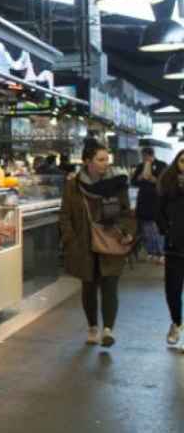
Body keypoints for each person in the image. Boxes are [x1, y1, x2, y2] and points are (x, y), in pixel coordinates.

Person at [59, 141, 132, 348]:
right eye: (100, 160)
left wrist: (127, 231)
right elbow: (64, 215)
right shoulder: (73, 186)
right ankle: (92, 327)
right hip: (84, 244)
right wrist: (70, 240)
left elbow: (127, 213)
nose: (104, 164)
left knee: (110, 285)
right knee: (89, 287)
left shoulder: (118, 184)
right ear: (87, 161)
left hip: (111, 242)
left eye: (106, 159)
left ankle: (108, 330)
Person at [156, 150, 184, 349]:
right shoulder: (168, 184)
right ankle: (176, 322)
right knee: (172, 290)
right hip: (174, 246)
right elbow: (158, 212)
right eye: (183, 161)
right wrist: (168, 230)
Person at [133, 146, 167, 263]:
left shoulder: (162, 165)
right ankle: (151, 251)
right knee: (147, 229)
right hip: (143, 201)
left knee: (157, 228)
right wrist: (139, 177)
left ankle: (161, 252)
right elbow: (133, 182)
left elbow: (166, 182)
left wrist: (155, 180)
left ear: (149, 155)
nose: (143, 158)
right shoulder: (140, 166)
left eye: (144, 156)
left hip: (157, 201)